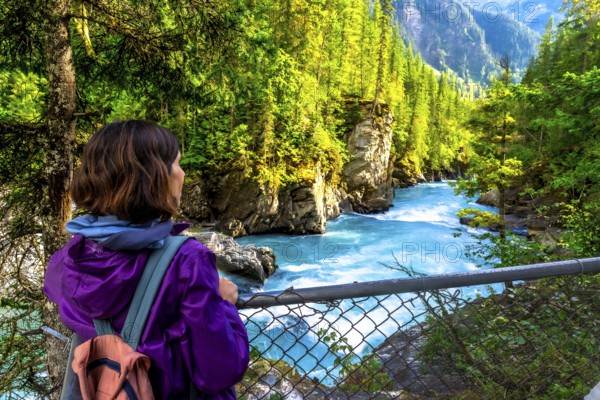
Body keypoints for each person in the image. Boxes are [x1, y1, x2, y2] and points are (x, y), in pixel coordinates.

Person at [44, 120, 249, 399]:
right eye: (177, 163)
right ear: (156, 177)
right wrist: (224, 305)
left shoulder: (73, 259)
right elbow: (219, 370)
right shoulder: (186, 260)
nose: (183, 173)